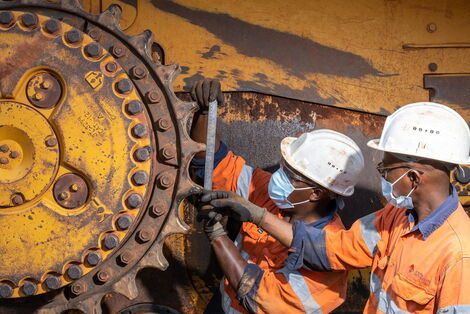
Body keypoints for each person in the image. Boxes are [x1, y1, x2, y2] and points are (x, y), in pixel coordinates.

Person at [204, 102, 470, 313]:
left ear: (413, 177)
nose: (384, 178)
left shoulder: (459, 256)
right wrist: (259, 215)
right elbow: (332, 248)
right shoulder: (396, 216)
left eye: (386, 169)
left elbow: (266, 300)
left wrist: (219, 237)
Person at [190, 79, 365, 313]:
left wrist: (217, 236)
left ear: (316, 193)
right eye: (284, 166)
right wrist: (204, 112)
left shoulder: (330, 252)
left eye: (291, 175)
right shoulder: (270, 193)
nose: (278, 176)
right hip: (223, 306)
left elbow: (261, 298)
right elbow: (211, 162)